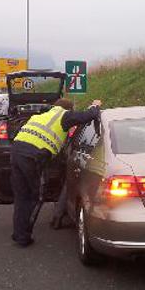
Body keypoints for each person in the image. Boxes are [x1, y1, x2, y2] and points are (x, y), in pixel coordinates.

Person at [11, 98, 102, 247]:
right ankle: (23, 237)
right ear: (69, 109)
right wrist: (95, 106)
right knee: (35, 197)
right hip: (33, 157)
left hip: (16, 152)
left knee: (21, 196)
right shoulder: (64, 116)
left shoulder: (39, 116)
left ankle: (18, 233)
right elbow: (87, 116)